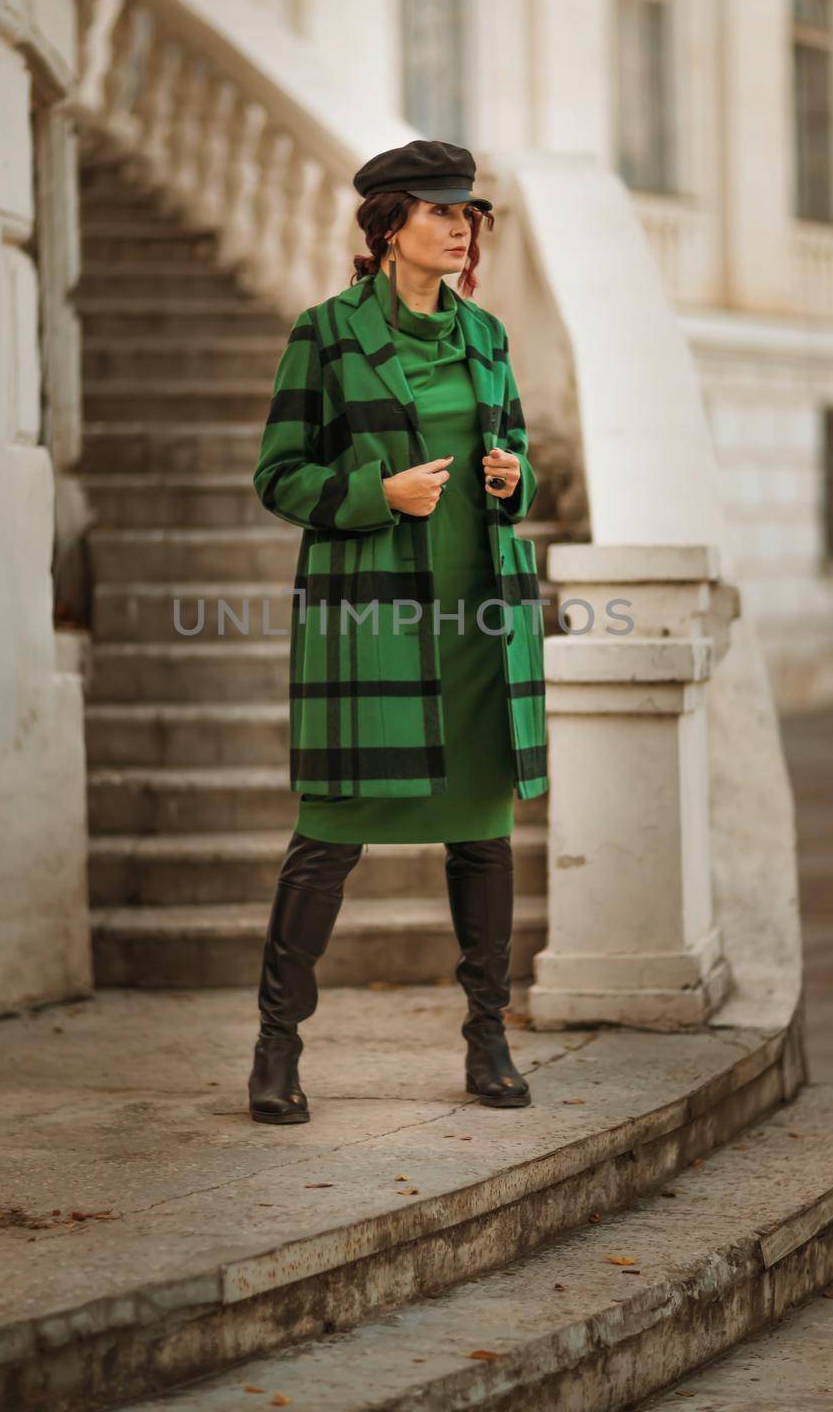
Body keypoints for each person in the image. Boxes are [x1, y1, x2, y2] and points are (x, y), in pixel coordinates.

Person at [248, 140, 548, 1125]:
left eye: (468, 213)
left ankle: (487, 1040)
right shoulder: (324, 334)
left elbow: (515, 459)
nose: (460, 227)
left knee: (483, 842)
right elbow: (279, 476)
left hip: (477, 623)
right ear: (385, 227)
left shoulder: (487, 337)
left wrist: (511, 481)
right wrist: (373, 494)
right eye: (440, 211)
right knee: (328, 837)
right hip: (372, 623)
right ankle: (276, 1049)